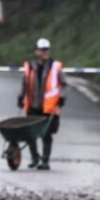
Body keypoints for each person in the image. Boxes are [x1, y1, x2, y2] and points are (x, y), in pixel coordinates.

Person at [17, 38, 66, 170]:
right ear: (36, 51)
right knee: (30, 134)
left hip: (49, 107)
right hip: (33, 105)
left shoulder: (55, 66)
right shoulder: (29, 66)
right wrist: (21, 97)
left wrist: (61, 99)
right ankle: (35, 158)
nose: (45, 52)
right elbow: (25, 83)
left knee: (46, 134)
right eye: (42, 50)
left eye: (47, 50)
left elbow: (63, 84)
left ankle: (45, 160)